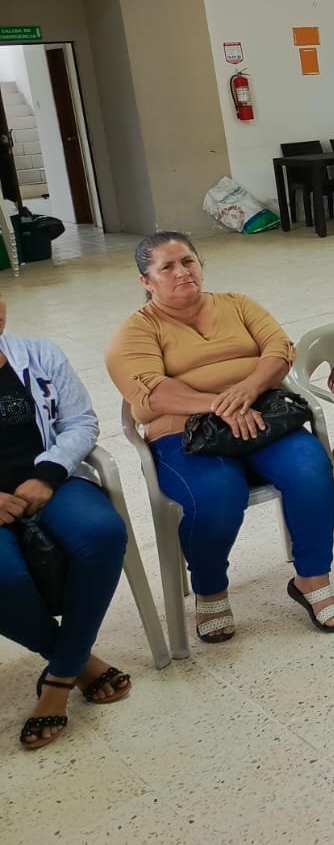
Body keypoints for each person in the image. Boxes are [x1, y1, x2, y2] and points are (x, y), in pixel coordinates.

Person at [107, 231, 334, 630]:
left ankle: (311, 579)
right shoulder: (136, 330)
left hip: (261, 417)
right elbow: (149, 390)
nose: (182, 272)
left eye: (188, 261)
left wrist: (248, 389)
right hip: (185, 432)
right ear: (146, 281)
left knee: (310, 469)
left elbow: (279, 348)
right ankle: (210, 590)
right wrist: (220, 405)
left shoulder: (238, 304)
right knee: (219, 495)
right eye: (167, 267)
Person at [1, 294, 131, 750]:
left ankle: (57, 680)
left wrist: (48, 474)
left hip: (50, 481)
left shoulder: (39, 354)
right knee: (5, 579)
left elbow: (80, 422)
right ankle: (77, 663)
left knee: (102, 533)